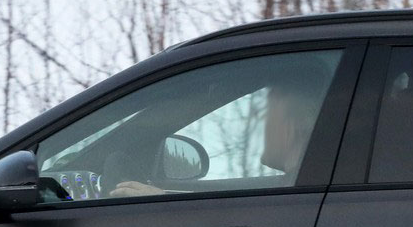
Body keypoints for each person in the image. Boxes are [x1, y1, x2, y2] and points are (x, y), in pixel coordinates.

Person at [108, 76, 320, 197]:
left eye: (270, 111)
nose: (262, 119)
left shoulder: (301, 198)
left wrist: (157, 206)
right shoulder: (294, 190)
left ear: (293, 125)